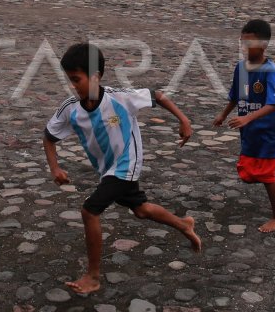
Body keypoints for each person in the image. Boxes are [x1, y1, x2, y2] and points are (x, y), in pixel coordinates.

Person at [43, 43, 201, 294]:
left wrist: (183, 119)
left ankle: (93, 276)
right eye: (70, 80)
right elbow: (49, 136)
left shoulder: (120, 98)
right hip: (108, 170)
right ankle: (184, 224)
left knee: (89, 211)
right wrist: (55, 168)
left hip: (127, 163)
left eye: (77, 79)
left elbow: (157, 96)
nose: (73, 86)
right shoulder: (70, 108)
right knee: (141, 209)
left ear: (95, 77)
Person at [213, 19, 275, 233]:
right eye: (242, 42)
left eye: (250, 43)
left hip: (268, 133)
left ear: (263, 45)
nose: (245, 47)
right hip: (250, 133)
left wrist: (247, 118)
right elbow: (237, 96)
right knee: (247, 175)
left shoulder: (268, 70)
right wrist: (223, 114)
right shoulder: (241, 68)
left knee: (262, 175)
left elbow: (274, 104)